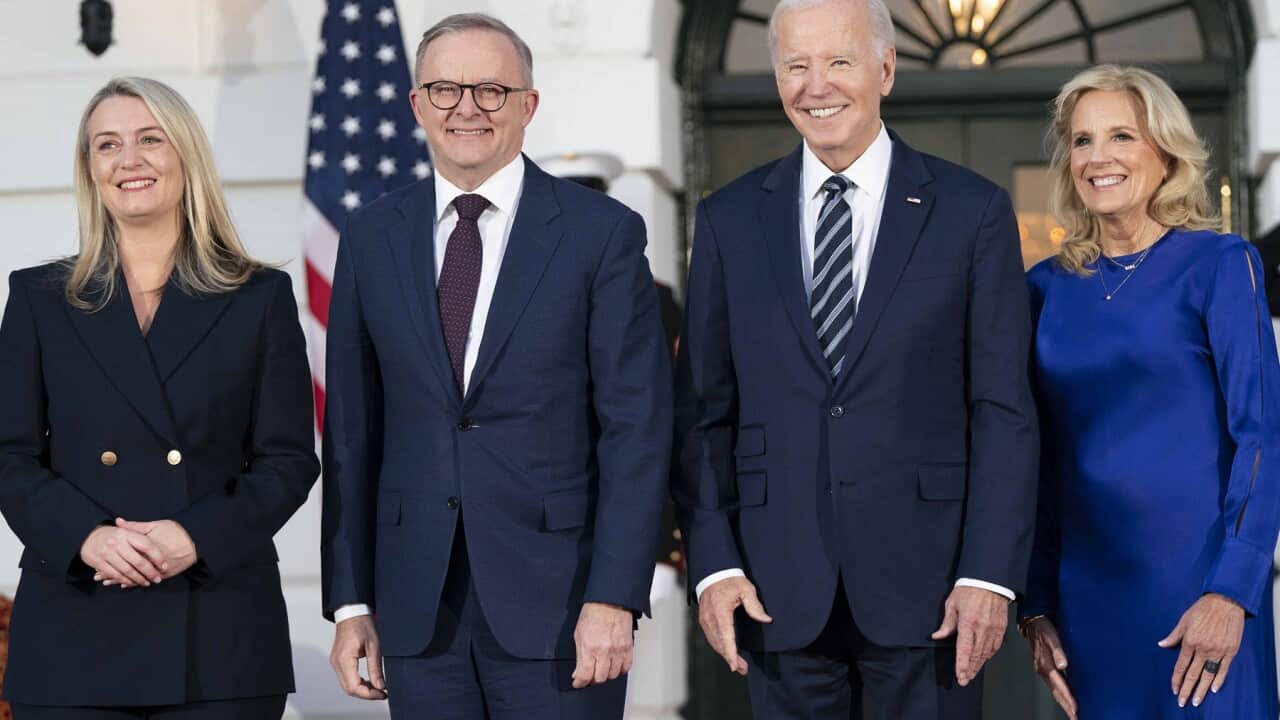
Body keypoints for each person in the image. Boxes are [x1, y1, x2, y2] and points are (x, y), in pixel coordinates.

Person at [671, 0, 1038, 717]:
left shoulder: (971, 212)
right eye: (795, 66)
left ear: (886, 68)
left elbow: (1003, 410)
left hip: (933, 589)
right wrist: (713, 562)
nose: (816, 86)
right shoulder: (728, 220)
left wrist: (988, 574)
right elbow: (703, 414)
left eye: (838, 61)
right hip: (777, 594)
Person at [320, 13, 671, 720]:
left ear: (527, 106)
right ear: (417, 104)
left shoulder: (600, 234)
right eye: (445, 90)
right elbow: (354, 430)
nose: (467, 109)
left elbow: (636, 428)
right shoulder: (369, 237)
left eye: (491, 90)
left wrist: (613, 594)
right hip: (416, 609)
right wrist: (352, 599)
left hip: (563, 606)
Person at [0, 76, 318, 719]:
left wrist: (194, 536)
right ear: (90, 170)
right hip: (73, 628)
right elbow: (9, 454)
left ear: (185, 155)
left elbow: (288, 460)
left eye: (150, 139)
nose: (129, 160)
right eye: (106, 145)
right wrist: (85, 536)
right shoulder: (38, 298)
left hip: (216, 631)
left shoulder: (258, 298)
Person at [1021, 64, 1280, 720]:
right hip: (1088, 600)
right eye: (1082, 140)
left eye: (1122, 136)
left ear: (1165, 152)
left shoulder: (1220, 265)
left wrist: (1233, 591)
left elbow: (1262, 435)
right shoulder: (1044, 288)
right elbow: (1035, 457)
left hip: (1201, 592)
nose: (1098, 157)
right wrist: (1036, 603)